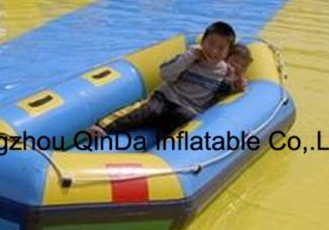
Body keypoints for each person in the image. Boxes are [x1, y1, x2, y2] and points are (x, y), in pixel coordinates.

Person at [89, 21, 243, 141]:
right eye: (211, 43)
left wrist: (236, 85)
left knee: (183, 119)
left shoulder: (225, 72)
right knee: (149, 110)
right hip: (166, 97)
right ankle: (103, 127)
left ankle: (162, 150)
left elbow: (222, 93)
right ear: (202, 42)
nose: (214, 50)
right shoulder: (188, 57)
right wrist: (190, 57)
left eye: (221, 48)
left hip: (187, 108)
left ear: (227, 52)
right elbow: (166, 74)